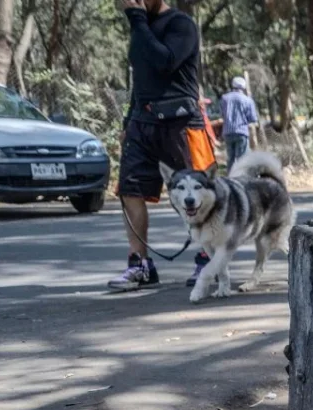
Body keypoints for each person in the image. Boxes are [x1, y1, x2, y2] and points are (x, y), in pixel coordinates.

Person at [110, 0, 216, 292]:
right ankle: (139, 263)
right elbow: (141, 82)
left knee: (199, 193)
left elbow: (164, 61)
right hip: (142, 125)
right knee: (130, 190)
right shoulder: (139, 27)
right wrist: (127, 124)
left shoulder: (181, 25)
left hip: (181, 124)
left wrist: (137, 19)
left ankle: (208, 258)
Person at [220, 76, 258, 171]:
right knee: (242, 159)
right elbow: (252, 118)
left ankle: (230, 178)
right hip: (241, 132)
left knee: (230, 158)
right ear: (244, 87)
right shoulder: (248, 100)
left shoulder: (225, 98)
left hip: (227, 132)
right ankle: (241, 178)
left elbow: (222, 114)